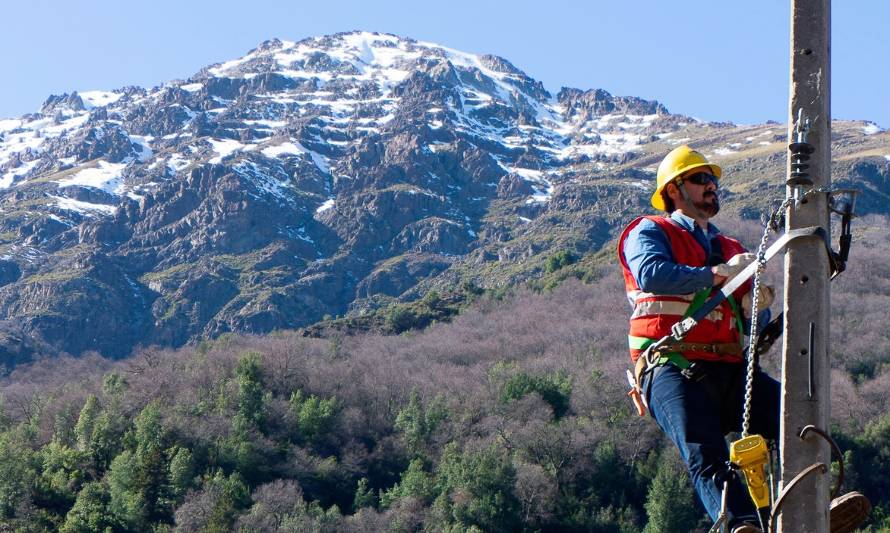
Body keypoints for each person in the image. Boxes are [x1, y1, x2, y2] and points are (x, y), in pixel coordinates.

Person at [617, 145, 870, 533]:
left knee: (798, 421)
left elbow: (750, 322)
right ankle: (742, 526)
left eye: (713, 180)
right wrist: (719, 274)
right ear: (673, 189)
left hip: (731, 367)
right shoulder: (650, 231)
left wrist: (758, 307)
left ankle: (813, 509)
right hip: (672, 365)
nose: (711, 187)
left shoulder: (732, 247)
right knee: (705, 454)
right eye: (701, 179)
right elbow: (653, 274)